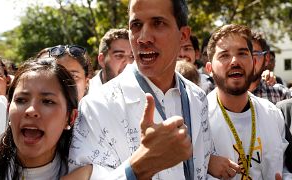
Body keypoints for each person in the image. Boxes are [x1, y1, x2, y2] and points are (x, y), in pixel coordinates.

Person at [67, 0, 216, 179]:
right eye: (136, 25)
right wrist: (140, 166)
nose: (143, 38)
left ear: (183, 35)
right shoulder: (95, 106)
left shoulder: (198, 97)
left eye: (158, 23)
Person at [0, 58, 93, 179]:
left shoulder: (87, 174)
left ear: (71, 117)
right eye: (21, 100)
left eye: (47, 101)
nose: (31, 111)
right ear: (8, 110)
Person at [205, 24, 291, 179]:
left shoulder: (273, 114)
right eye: (224, 55)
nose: (234, 61)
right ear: (209, 68)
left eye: (242, 53)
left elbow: (284, 168)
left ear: (253, 61)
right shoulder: (198, 118)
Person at [248, 32, 291, 104]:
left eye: (254, 54)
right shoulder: (227, 96)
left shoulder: (281, 95)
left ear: (266, 59)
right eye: (243, 54)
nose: (249, 60)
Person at [88, 28, 133, 93]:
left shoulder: (144, 91)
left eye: (132, 56)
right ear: (102, 60)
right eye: (119, 56)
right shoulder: (85, 94)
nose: (128, 63)